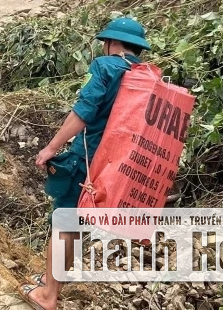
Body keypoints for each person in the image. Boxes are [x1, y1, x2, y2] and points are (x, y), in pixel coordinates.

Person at [19, 17, 151, 310]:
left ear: (109, 43)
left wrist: (51, 147)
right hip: (115, 168)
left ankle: (47, 296)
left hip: (86, 159)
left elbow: (83, 113)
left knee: (63, 223)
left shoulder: (105, 67)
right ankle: (52, 282)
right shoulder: (145, 78)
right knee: (75, 225)